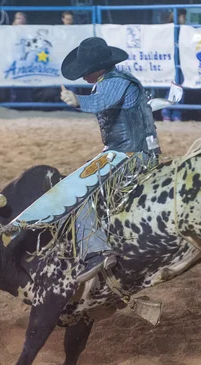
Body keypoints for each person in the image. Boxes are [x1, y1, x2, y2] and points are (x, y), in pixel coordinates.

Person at [59, 37, 161, 283]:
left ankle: (97, 252)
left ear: (97, 68)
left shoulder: (115, 83)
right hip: (130, 151)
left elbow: (101, 102)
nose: (83, 76)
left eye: (85, 71)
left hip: (130, 155)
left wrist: (77, 101)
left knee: (82, 196)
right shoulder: (116, 81)